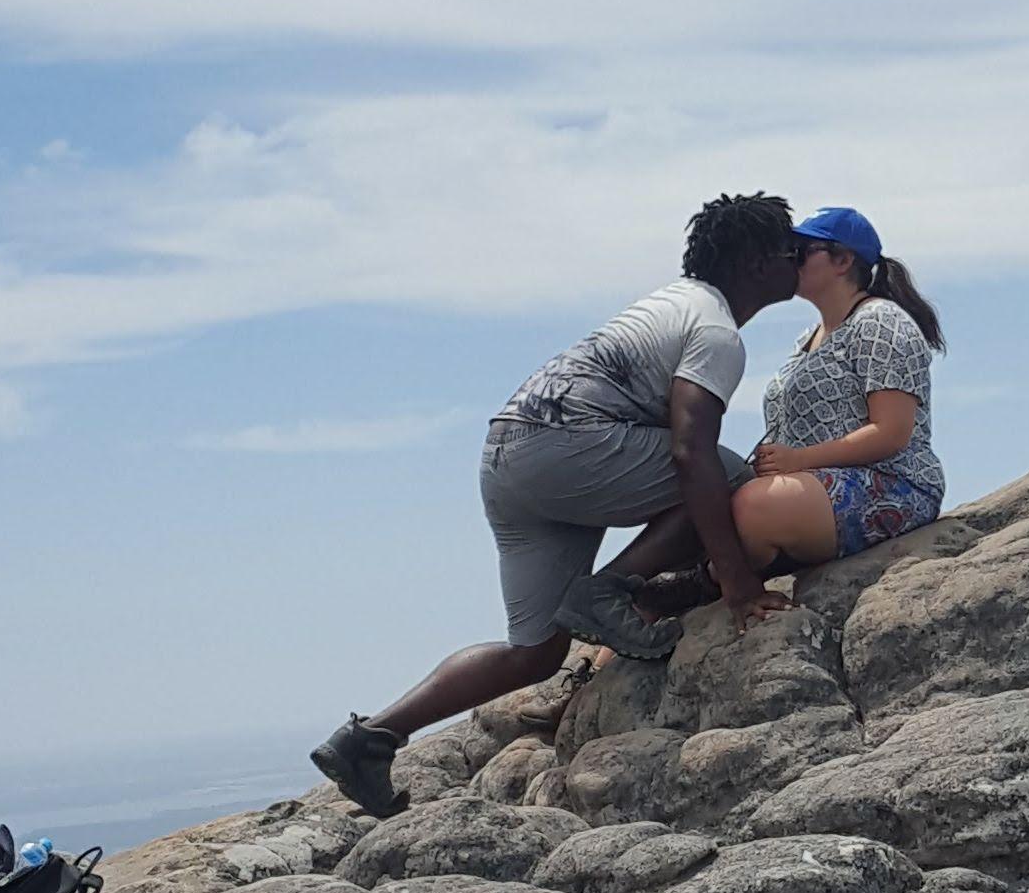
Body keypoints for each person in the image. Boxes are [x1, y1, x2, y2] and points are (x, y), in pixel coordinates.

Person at [307, 192, 799, 814]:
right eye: (789, 251)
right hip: (562, 447)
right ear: (757, 262)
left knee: (537, 651)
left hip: (507, 454)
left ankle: (371, 739)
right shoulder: (716, 330)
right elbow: (690, 452)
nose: (798, 260)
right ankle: (610, 589)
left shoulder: (669, 304)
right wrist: (739, 584)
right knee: (729, 477)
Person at [637, 206, 943, 600]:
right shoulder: (808, 338)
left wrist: (799, 460)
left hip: (892, 484)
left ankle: (696, 586)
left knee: (751, 507)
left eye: (801, 251)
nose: (788, 259)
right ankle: (648, 594)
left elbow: (892, 431)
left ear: (842, 260)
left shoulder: (880, 321)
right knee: (702, 499)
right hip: (812, 488)